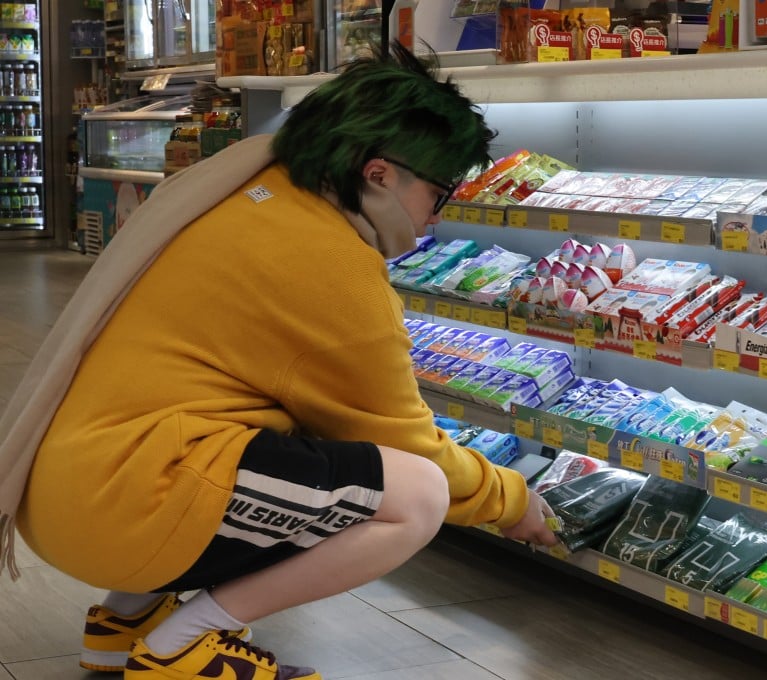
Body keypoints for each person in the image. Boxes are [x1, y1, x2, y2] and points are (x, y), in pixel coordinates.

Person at [2, 43, 558, 680]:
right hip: (125, 504)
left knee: (286, 442)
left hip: (70, 487)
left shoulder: (248, 189)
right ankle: (185, 645)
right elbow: (405, 446)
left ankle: (125, 622)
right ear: (379, 174)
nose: (439, 212)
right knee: (417, 495)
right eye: (440, 190)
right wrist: (510, 499)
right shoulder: (328, 264)